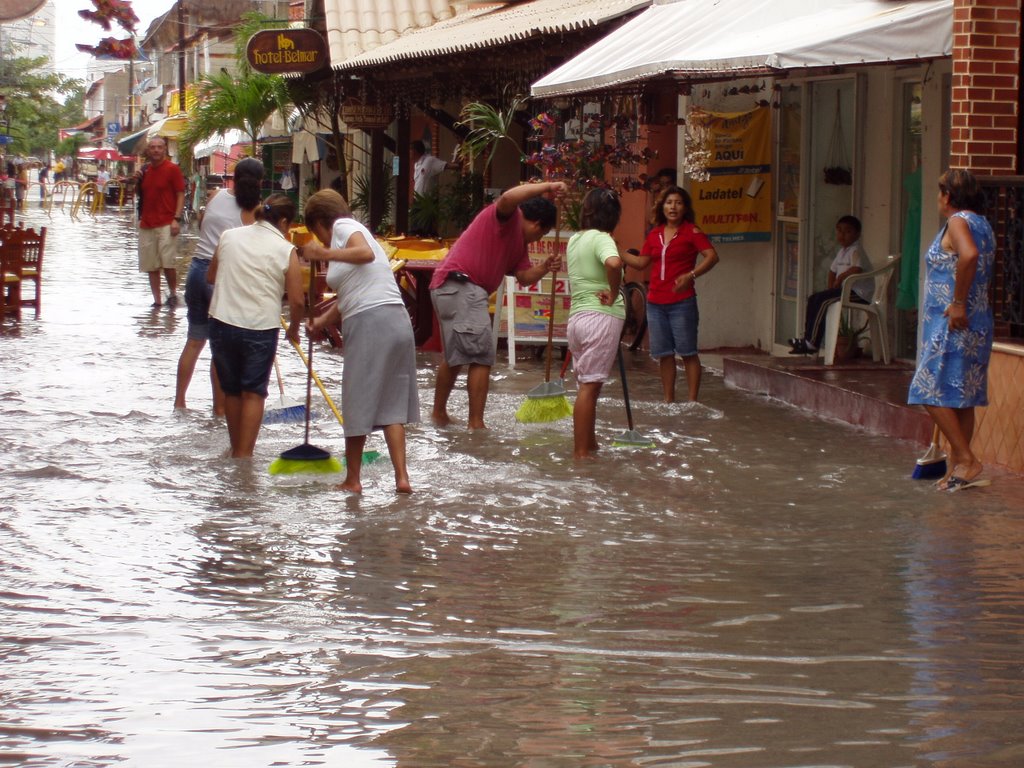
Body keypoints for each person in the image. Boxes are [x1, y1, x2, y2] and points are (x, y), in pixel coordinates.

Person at [302, 189, 420, 494]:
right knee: (392, 403)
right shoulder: (355, 234)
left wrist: (323, 254)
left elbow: (363, 253)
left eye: (315, 232)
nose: (320, 241)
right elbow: (349, 296)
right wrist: (321, 321)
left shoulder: (344, 228)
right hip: (396, 320)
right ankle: (402, 478)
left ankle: (353, 479)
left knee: (357, 398)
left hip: (372, 323)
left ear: (319, 222)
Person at [429, 180, 566, 429]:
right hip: (463, 286)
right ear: (537, 224)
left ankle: (439, 416)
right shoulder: (507, 217)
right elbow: (509, 197)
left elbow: (523, 277)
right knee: (481, 357)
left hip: (450, 288)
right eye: (542, 233)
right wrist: (548, 185)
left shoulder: (520, 247)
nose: (539, 238)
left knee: (456, 356)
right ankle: (476, 425)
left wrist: (545, 267)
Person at [908, 169, 995, 491]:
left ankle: (966, 459)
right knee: (961, 397)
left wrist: (958, 303)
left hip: (954, 323)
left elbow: (968, 255)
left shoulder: (958, 222)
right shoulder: (982, 223)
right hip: (977, 323)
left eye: (939, 192)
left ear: (946, 195)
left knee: (926, 389)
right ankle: (960, 468)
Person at [207, 194, 304, 458]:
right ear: (284, 222)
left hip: (222, 322)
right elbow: (296, 300)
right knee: (253, 392)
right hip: (260, 328)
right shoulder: (285, 249)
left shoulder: (229, 236)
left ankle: (236, 449)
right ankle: (244, 455)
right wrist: (294, 329)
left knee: (232, 390)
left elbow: (212, 275)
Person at [174, 157, 265, 415]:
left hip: (196, 272)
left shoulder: (216, 195)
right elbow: (251, 250)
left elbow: (203, 224)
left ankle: (179, 403)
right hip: (221, 276)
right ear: (259, 182)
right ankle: (219, 410)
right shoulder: (253, 211)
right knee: (221, 349)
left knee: (194, 341)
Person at [622, 185, 719, 402]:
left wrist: (690, 275)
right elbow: (641, 262)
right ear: (662, 207)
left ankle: (692, 401)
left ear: (685, 208)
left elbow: (712, 256)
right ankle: (669, 400)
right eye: (669, 202)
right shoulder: (654, 233)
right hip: (655, 303)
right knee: (664, 354)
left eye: (678, 203)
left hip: (682, 302)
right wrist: (615, 251)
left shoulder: (691, 232)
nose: (673, 207)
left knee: (687, 352)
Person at [566, 188, 626, 459]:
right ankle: (581, 454)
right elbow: (614, 263)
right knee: (590, 388)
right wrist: (614, 292)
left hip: (577, 319)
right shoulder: (603, 239)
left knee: (588, 386)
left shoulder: (575, 239)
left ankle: (590, 446)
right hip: (600, 317)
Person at [788, 215, 871, 354]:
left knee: (822, 301)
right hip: (845, 291)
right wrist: (831, 286)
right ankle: (808, 339)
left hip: (859, 293)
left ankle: (812, 343)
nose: (842, 235)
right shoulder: (842, 251)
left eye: (847, 231)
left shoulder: (856, 250)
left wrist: (840, 279)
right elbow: (832, 271)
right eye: (839, 231)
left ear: (857, 234)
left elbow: (857, 269)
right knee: (814, 298)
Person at [135, 137, 186, 307]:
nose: (156, 150)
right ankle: (157, 301)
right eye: (152, 148)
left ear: (165, 150)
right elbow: (140, 195)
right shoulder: (145, 171)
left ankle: (172, 293)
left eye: (159, 147)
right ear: (148, 151)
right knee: (151, 265)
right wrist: (135, 180)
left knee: (168, 262)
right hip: (147, 223)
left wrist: (176, 219)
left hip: (166, 221)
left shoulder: (172, 169)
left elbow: (180, 193)